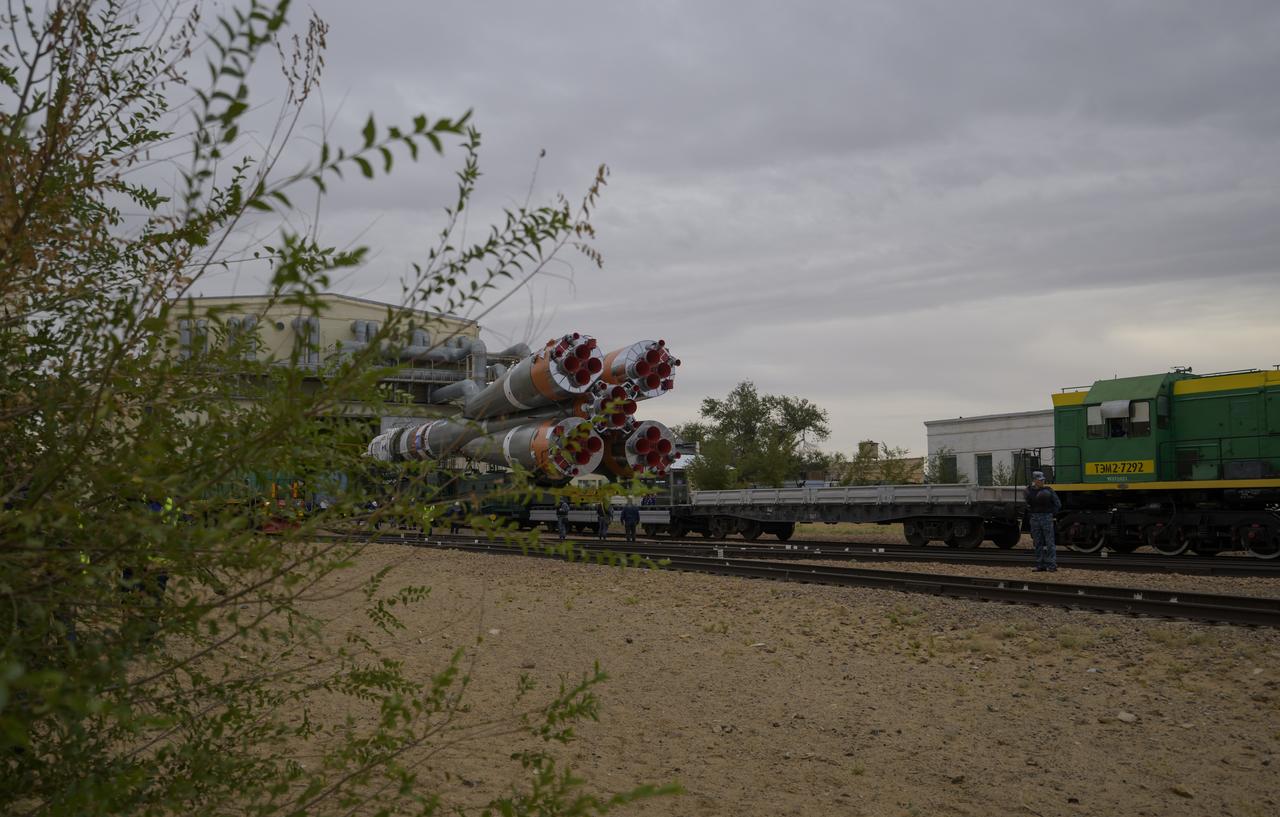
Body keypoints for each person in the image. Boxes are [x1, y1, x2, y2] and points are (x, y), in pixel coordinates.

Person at [1025, 471, 1061, 572]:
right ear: (1035, 480)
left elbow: (1058, 504)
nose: (1042, 481)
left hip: (1046, 517)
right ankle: (1040, 564)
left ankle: (1052, 565)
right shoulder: (1029, 491)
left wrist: (1050, 514)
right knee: (1037, 542)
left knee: (1049, 542)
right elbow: (1027, 504)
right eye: (1040, 480)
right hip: (1035, 518)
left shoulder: (1049, 490)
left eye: (1042, 480)